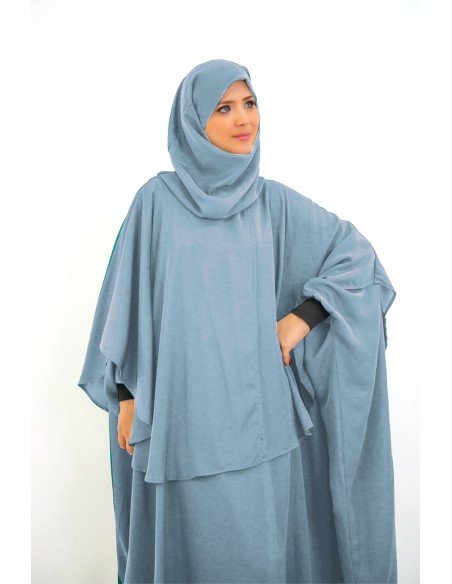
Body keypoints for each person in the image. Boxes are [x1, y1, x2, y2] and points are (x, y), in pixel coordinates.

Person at [78, 59, 398, 584]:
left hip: (261, 429)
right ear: (192, 121)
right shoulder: (156, 202)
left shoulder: (272, 204)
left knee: (260, 559)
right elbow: (128, 304)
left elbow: (357, 258)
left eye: (249, 103)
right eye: (223, 108)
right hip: (179, 424)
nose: (243, 118)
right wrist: (128, 397)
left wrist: (301, 318)